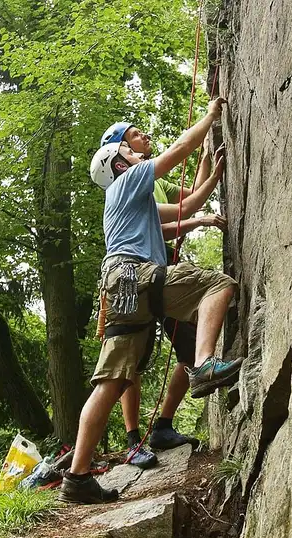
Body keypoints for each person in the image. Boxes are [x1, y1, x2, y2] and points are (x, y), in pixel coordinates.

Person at [58, 98, 242, 504]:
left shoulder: (128, 199)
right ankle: (205, 364)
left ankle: (78, 477)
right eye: (127, 148)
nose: (134, 148)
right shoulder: (129, 180)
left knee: (114, 379)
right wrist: (209, 117)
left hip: (119, 282)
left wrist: (213, 170)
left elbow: (186, 209)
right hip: (138, 274)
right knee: (218, 284)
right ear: (119, 163)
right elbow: (176, 151)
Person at [97, 122, 227, 469]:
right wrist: (203, 128)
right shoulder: (133, 181)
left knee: (186, 347)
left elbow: (192, 199)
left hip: (161, 270)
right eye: (136, 136)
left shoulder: (156, 182)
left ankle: (163, 426)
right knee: (130, 361)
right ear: (119, 151)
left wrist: (205, 162)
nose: (145, 138)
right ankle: (131, 438)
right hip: (138, 274)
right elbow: (179, 208)